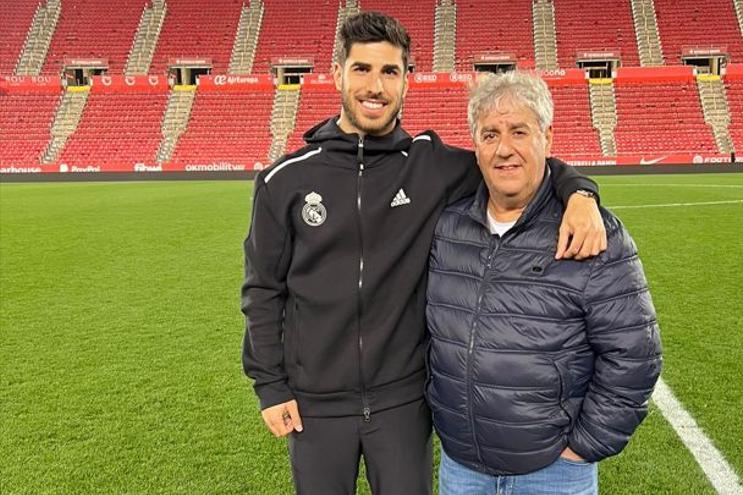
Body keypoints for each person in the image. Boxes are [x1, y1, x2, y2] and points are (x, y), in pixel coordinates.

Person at [241, 12, 606, 495]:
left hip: (403, 404)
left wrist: (580, 192)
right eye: (362, 69)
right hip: (315, 405)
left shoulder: (430, 167)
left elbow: (514, 160)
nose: (375, 86)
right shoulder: (283, 180)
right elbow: (263, 290)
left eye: (390, 71)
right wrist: (271, 385)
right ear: (338, 74)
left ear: (406, 80)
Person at [425, 71, 662, 494]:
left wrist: (586, 446)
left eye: (519, 131)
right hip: (462, 469)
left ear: (547, 139)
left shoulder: (591, 232)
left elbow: (635, 352)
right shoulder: (447, 227)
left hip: (553, 473)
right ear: (475, 146)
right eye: (490, 134)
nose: (504, 149)